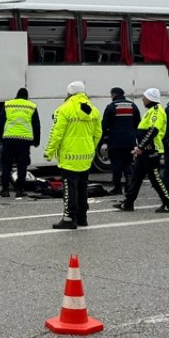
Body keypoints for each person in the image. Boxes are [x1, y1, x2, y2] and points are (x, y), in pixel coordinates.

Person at [44, 80, 102, 229]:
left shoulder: (64, 109)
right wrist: (90, 148)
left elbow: (56, 133)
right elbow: (98, 134)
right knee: (83, 187)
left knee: (70, 187)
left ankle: (69, 218)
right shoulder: (93, 110)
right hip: (86, 156)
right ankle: (82, 217)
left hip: (69, 155)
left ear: (69, 93)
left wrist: (48, 152)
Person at [114, 88, 169, 213]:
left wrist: (140, 147)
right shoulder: (150, 111)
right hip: (145, 150)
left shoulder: (156, 112)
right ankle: (128, 203)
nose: (142, 99)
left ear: (150, 98)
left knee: (155, 178)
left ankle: (168, 202)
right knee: (136, 177)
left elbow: (153, 131)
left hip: (151, 150)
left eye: (145, 97)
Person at [0, 87, 41, 197]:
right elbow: (36, 126)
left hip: (9, 139)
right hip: (24, 141)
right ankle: (19, 190)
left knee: (6, 165)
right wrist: (36, 141)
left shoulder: (8, 104)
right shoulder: (31, 106)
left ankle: (5, 190)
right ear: (26, 96)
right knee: (22, 166)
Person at [100, 86, 140, 195]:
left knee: (116, 164)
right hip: (130, 141)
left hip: (115, 141)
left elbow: (104, 125)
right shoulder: (133, 106)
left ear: (113, 94)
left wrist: (103, 139)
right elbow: (138, 123)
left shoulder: (111, 107)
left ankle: (117, 187)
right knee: (128, 163)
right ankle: (129, 186)